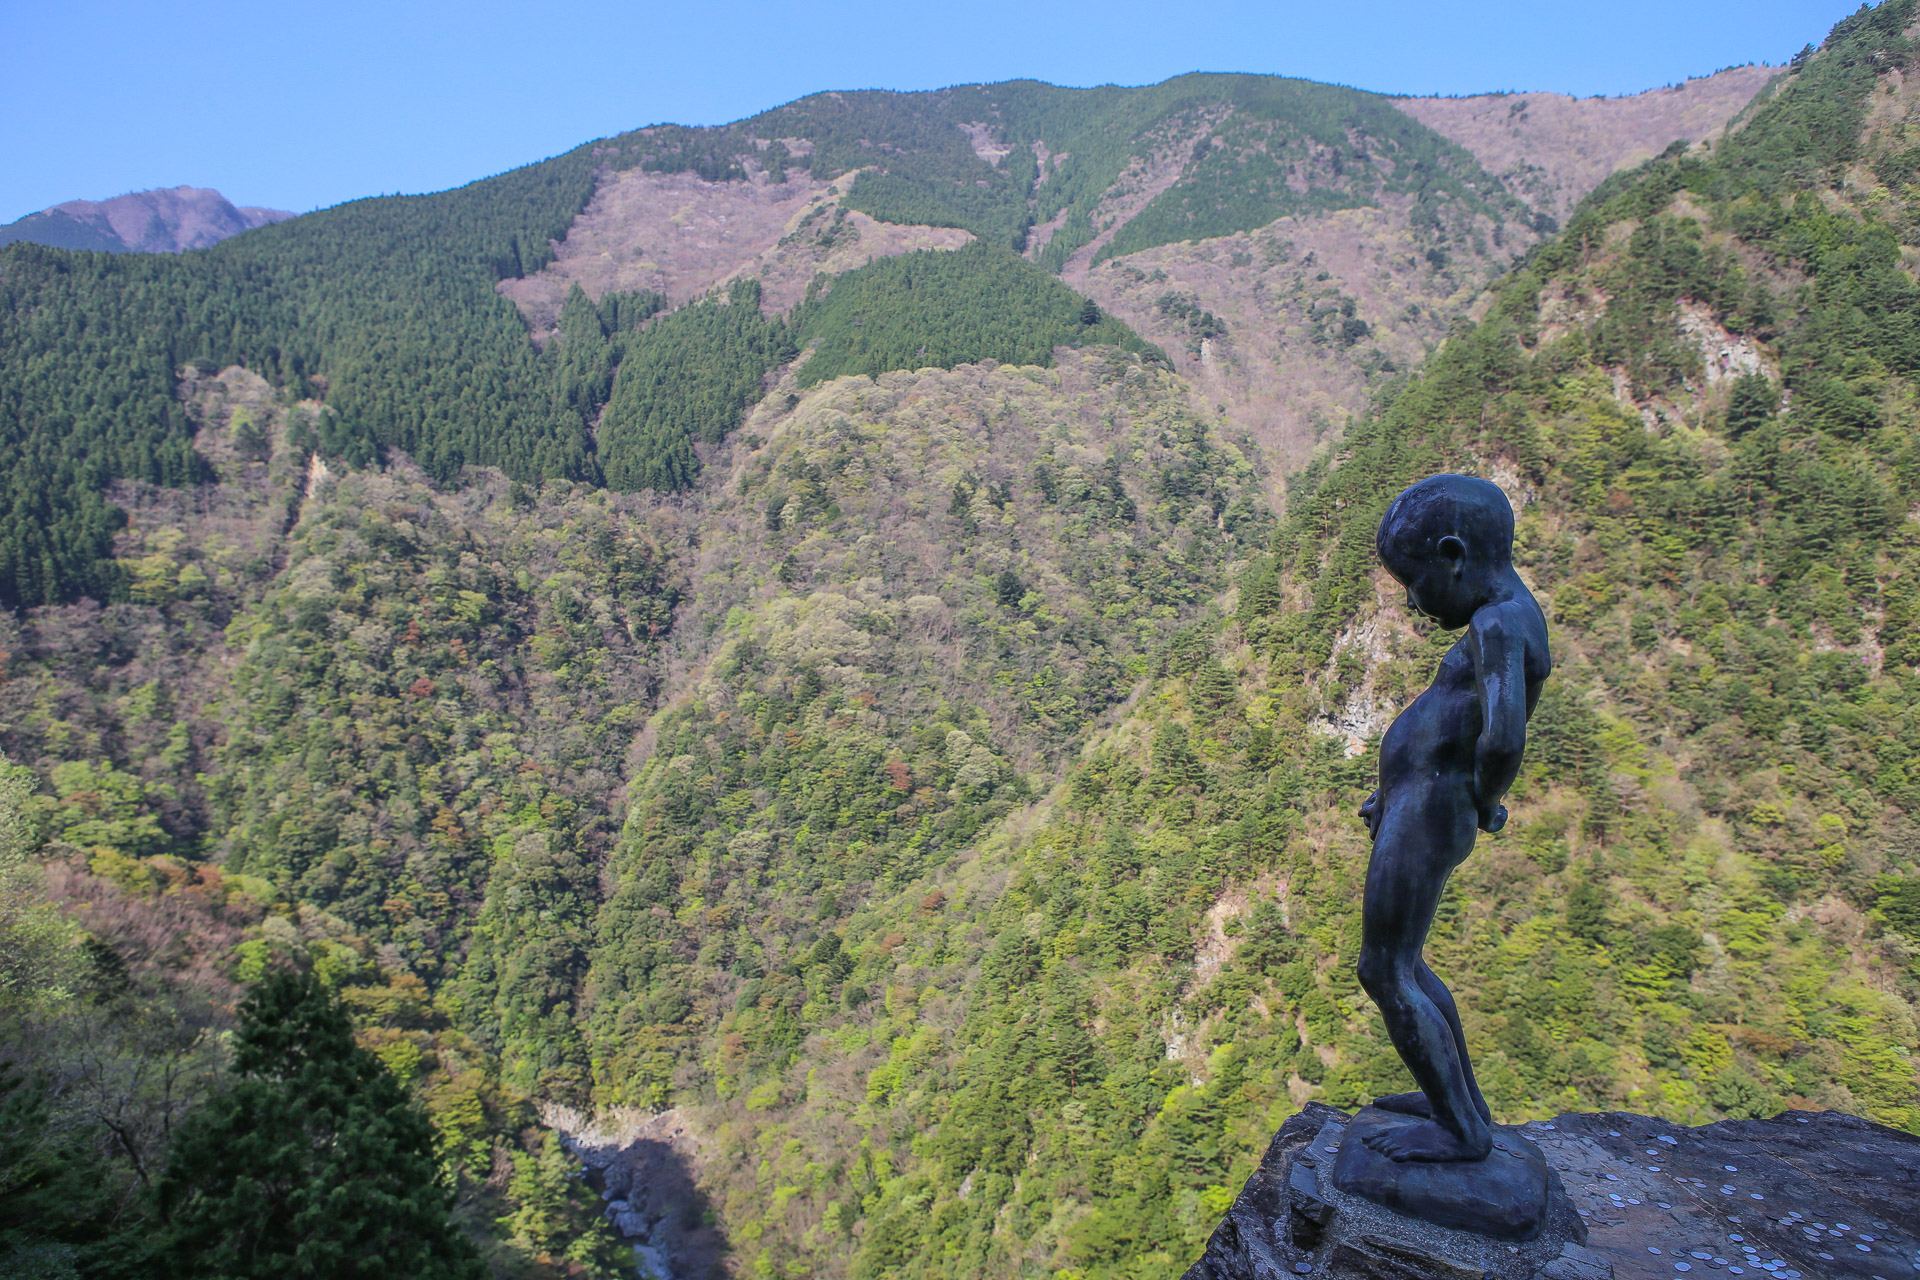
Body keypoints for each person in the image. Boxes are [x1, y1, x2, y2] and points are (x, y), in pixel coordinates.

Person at [1354, 474, 1551, 1162]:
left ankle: (1460, 1132)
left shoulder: (1499, 624)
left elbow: (1502, 736)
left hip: (1433, 811)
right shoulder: (1505, 616)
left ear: (1453, 555)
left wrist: (1487, 799)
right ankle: (1458, 1101)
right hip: (1418, 803)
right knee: (1408, 962)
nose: (1411, 601)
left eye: (1414, 582)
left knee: (1383, 971)